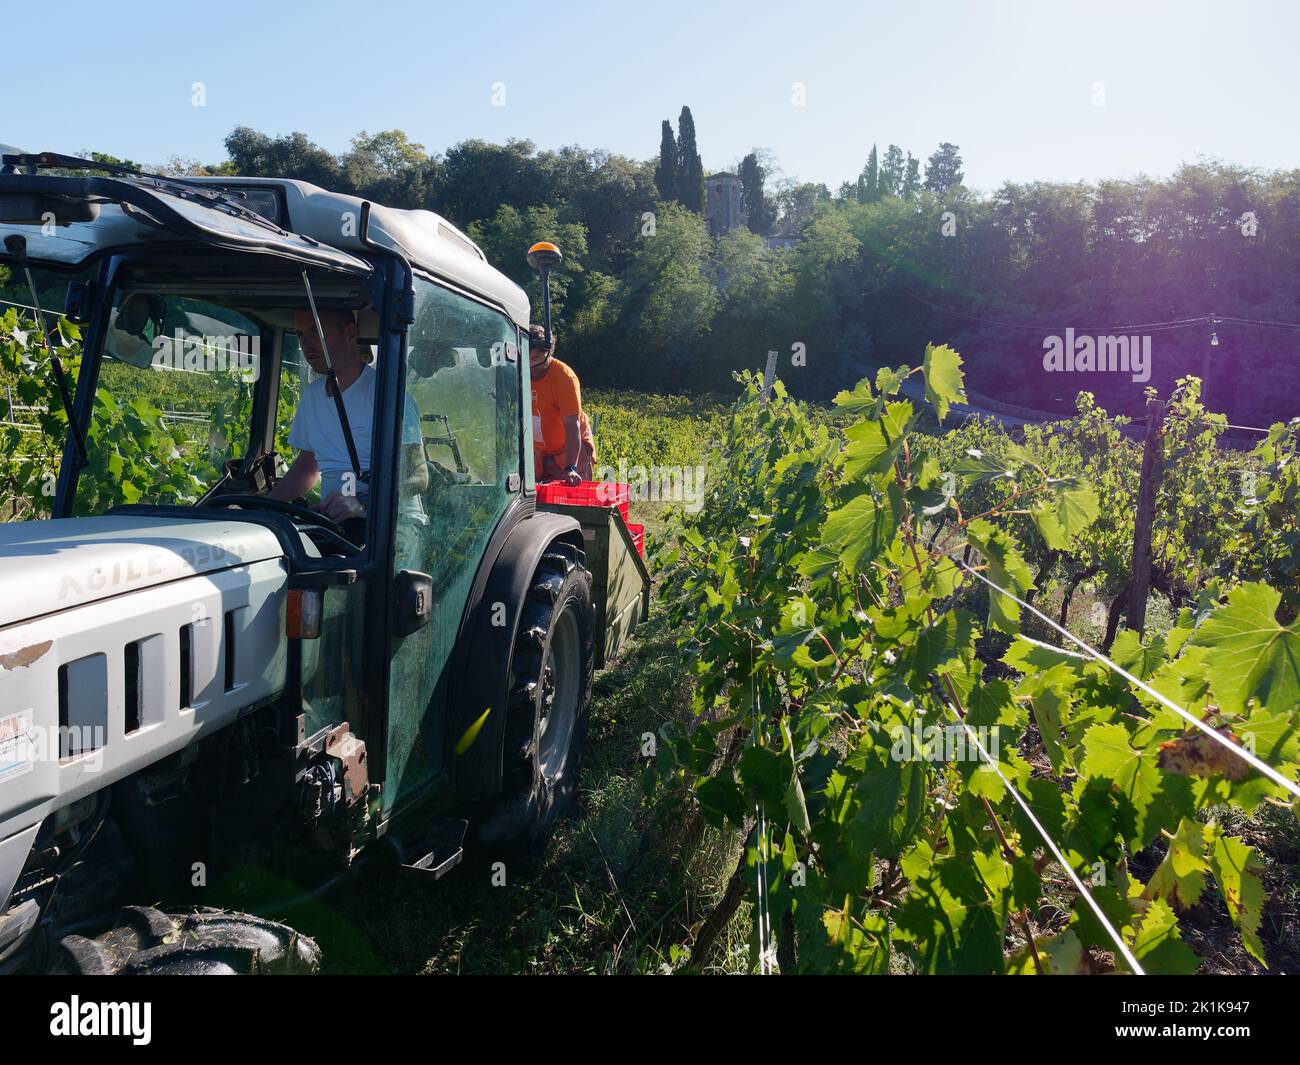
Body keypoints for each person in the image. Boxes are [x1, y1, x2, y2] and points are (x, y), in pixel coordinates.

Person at [271, 307, 428, 522]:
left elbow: (419, 476)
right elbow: (307, 467)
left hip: (393, 527)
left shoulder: (389, 396)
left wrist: (362, 501)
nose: (306, 344)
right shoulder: (311, 396)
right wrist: (264, 507)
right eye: (300, 335)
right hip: (335, 525)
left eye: (316, 332)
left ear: (350, 333)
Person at [529, 324, 595, 485]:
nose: (531, 366)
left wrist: (570, 467)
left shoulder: (564, 379)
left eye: (535, 359)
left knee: (572, 499)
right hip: (540, 452)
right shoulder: (521, 373)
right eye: (525, 359)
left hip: (569, 449)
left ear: (548, 353)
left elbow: (572, 426)